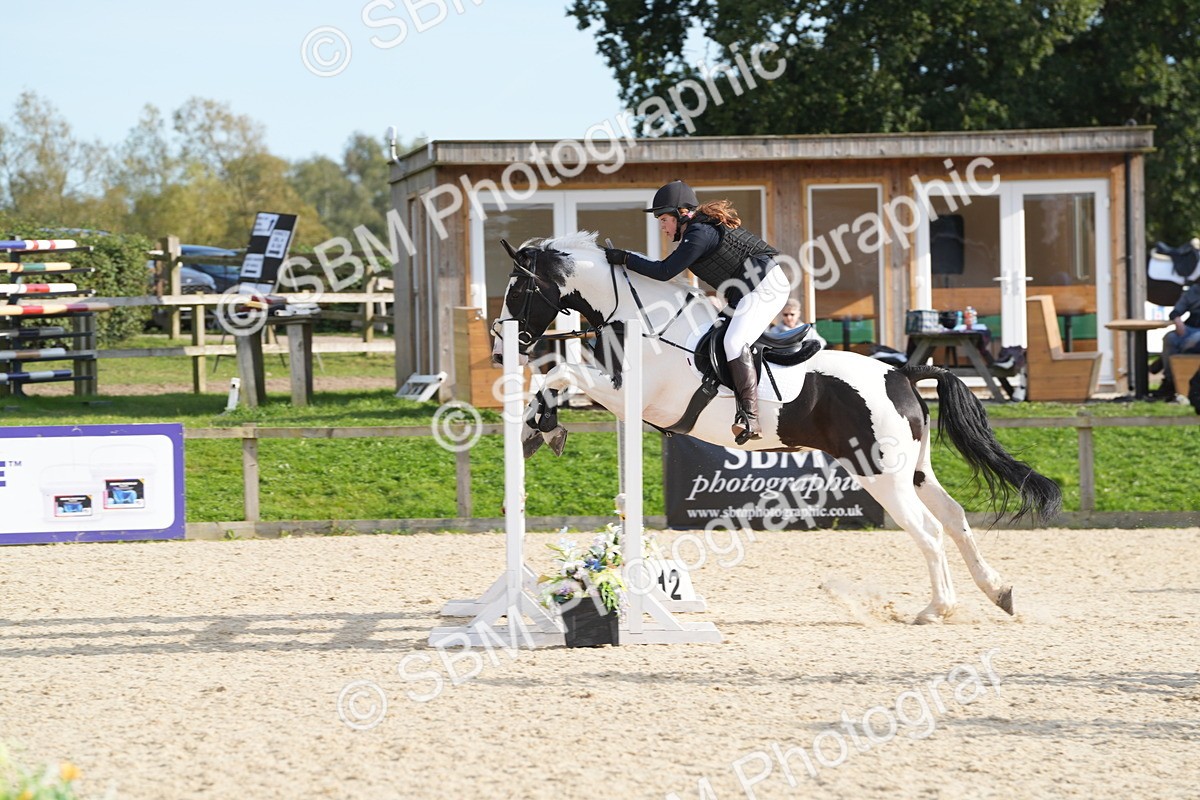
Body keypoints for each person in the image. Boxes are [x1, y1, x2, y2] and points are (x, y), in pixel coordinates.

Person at [604, 180, 804, 444]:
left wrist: (626, 259)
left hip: (766, 287)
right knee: (707, 340)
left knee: (734, 342)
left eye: (664, 219)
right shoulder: (696, 230)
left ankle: (750, 416)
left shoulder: (699, 233)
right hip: (745, 293)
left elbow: (664, 272)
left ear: (681, 214)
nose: (662, 227)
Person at [1154, 281, 1200, 399]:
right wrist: (1178, 321)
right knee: (1170, 338)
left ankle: (1161, 363)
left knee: (1195, 340)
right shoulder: (1193, 291)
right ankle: (1169, 380)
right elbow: (1176, 311)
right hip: (1191, 327)